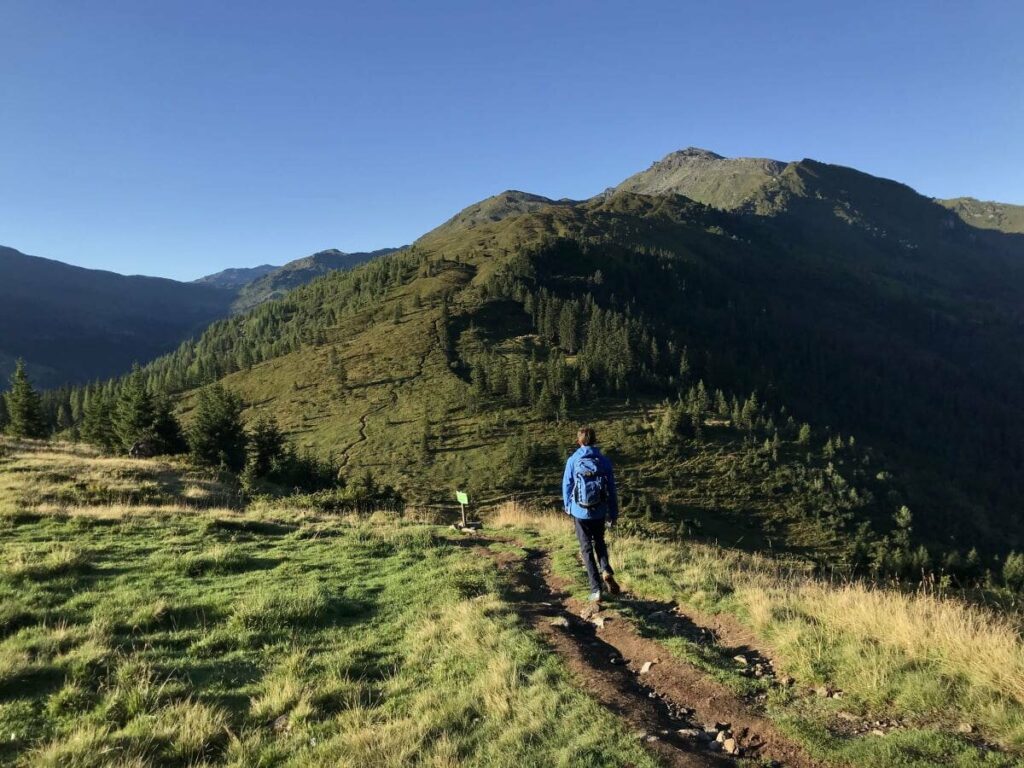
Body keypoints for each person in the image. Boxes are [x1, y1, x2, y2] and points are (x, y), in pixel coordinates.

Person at [562, 426, 620, 602]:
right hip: (600, 510)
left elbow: (567, 485)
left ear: (579, 440)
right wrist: (613, 512)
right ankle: (606, 569)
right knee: (600, 542)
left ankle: (596, 589)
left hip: (580, 512)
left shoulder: (573, 460)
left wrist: (568, 506)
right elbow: (611, 489)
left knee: (586, 548)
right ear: (595, 440)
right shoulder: (603, 461)